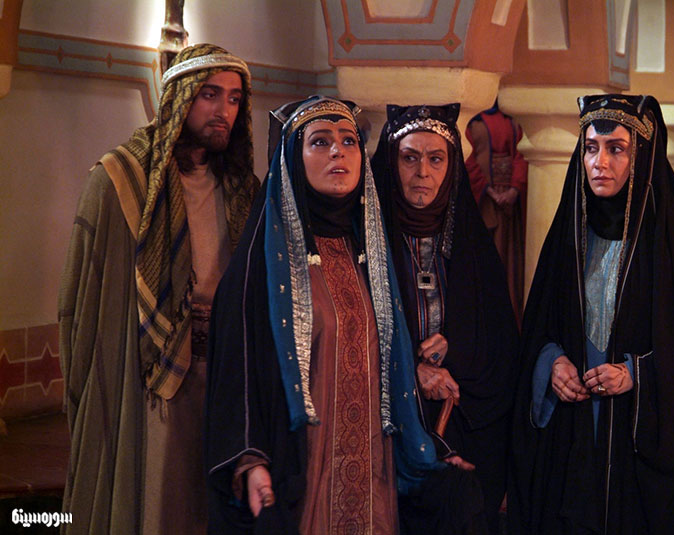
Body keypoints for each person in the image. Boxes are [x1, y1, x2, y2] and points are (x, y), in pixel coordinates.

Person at [508, 94, 674, 534]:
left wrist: (638, 373)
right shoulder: (567, 239)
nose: (600, 163)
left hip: (641, 448)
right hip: (572, 433)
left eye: (616, 149)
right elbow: (540, 328)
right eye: (591, 149)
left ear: (642, 156)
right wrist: (552, 363)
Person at [205, 96, 441, 534]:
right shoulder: (264, 263)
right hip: (300, 468)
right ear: (293, 159)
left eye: (349, 141)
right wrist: (250, 460)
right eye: (320, 141)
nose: (338, 152)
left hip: (373, 472)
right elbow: (238, 372)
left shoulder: (372, 257)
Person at [58, 44, 258, 534]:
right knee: (156, 509)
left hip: (224, 375)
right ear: (179, 98)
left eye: (234, 98)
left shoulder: (243, 189)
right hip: (151, 375)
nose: (224, 110)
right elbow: (84, 301)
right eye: (210, 94)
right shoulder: (120, 180)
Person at [371, 104, 519, 534]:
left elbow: (503, 347)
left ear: (451, 167)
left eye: (436, 159)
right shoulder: (367, 244)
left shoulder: (474, 247)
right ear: (391, 162)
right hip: (387, 429)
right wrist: (410, 371)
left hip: (463, 426)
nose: (423, 172)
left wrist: (457, 346)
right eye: (410, 157)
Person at [465, 101, 527, 325]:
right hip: (483, 202)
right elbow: (468, 159)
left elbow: (521, 156)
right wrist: (488, 190)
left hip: (508, 207)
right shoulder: (472, 122)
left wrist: (514, 188)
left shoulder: (514, 120)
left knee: (509, 261)